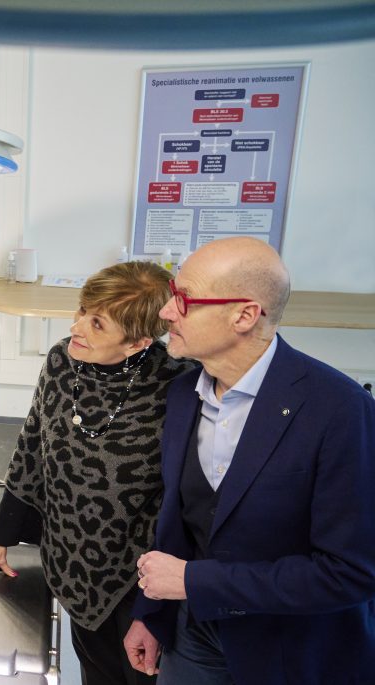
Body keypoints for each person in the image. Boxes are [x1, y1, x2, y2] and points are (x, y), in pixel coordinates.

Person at [123, 237, 375, 685]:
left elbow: (350, 572)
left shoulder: (340, 409)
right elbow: (180, 521)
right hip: (192, 635)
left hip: (290, 650)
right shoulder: (184, 395)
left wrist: (197, 583)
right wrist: (153, 614)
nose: (166, 313)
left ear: (243, 314)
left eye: (183, 300)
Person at [0, 261, 196, 685]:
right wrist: (0, 535)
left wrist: (156, 606)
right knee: (97, 672)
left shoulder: (179, 385)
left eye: (97, 324)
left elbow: (183, 497)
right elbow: (31, 450)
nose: (77, 327)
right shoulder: (63, 360)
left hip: (142, 572)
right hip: (71, 558)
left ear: (138, 342)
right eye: (81, 311)